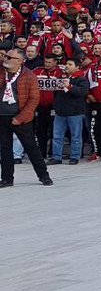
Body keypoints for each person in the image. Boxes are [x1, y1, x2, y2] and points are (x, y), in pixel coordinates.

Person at [0, 48, 52, 187]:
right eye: (6, 56)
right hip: (2, 115)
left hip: (21, 117)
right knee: (5, 148)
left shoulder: (29, 76)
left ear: (21, 61)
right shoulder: (1, 72)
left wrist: (21, 117)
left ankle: (43, 175)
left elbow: (34, 99)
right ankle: (6, 178)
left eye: (11, 58)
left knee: (31, 147)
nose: (6, 59)